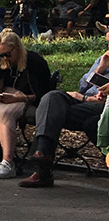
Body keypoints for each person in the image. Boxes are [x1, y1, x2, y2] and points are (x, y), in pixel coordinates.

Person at [21, 28, 109, 188]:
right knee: (53, 97)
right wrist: (99, 69)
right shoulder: (103, 58)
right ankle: (42, 154)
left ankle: (42, 170)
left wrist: (86, 97)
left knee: (52, 114)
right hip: (84, 102)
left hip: (103, 107)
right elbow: (82, 85)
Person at [0, 29, 49, 180]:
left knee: (6, 114)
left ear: (17, 48)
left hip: (26, 99)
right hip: (7, 96)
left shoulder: (34, 62)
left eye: (7, 54)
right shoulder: (0, 61)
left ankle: (8, 161)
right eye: (1, 54)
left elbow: (42, 94)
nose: (5, 57)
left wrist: (18, 98)